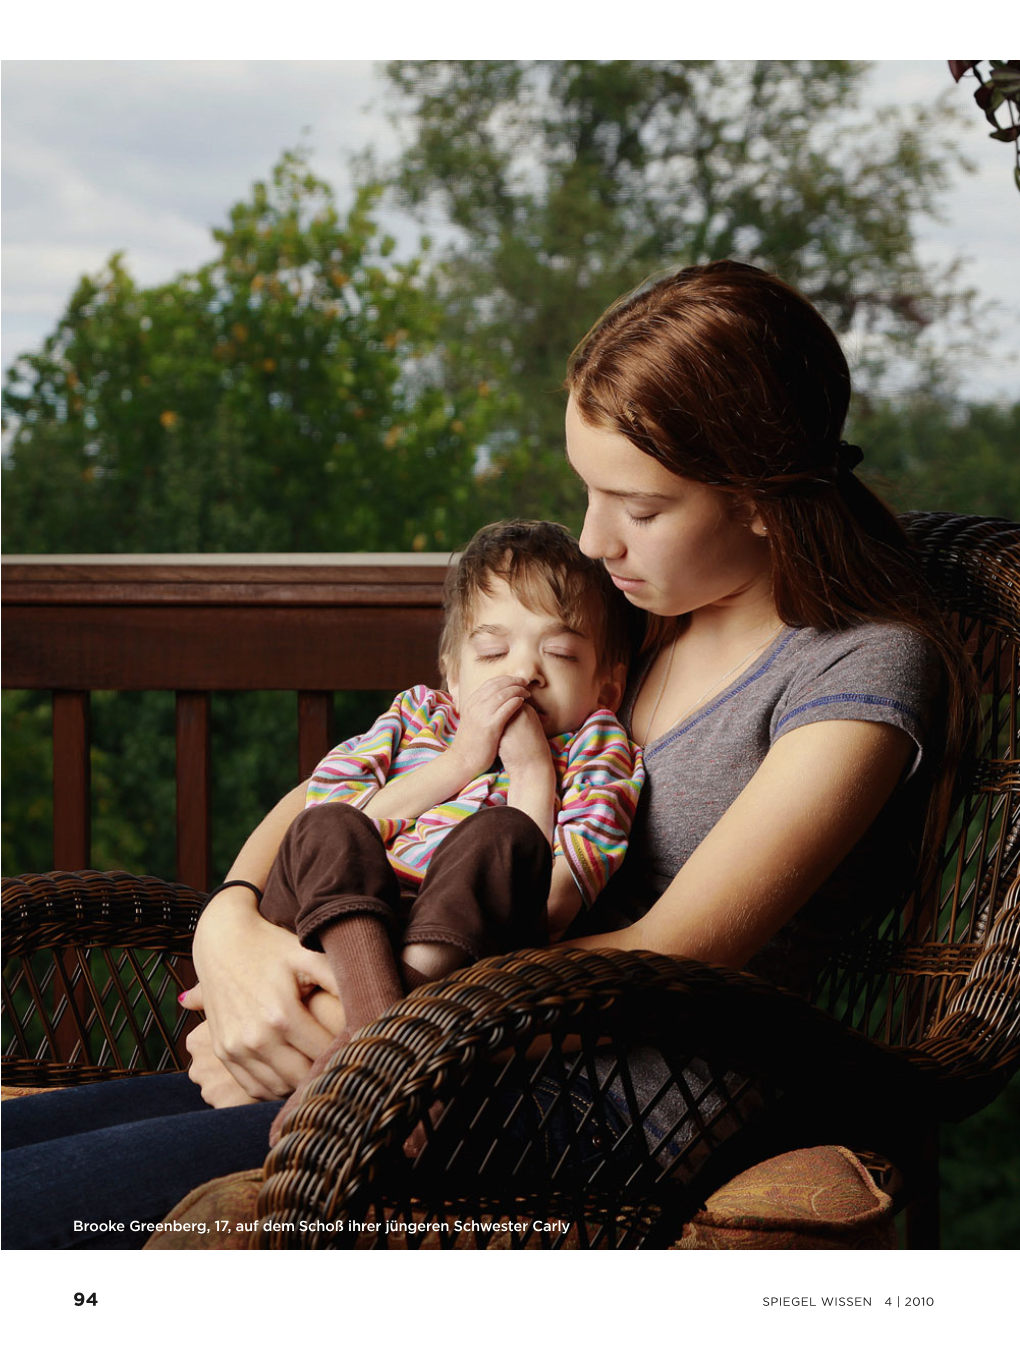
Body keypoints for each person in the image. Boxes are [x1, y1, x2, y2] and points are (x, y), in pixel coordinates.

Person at [1, 260, 969, 1250]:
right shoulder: (637, 628)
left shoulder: (857, 670)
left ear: (761, 499)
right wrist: (234, 933)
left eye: (638, 509)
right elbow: (334, 790)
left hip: (597, 1100)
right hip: (421, 1038)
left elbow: (677, 949)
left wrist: (369, 1024)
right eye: (586, 493)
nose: (594, 545)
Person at [229, 518, 644, 1125]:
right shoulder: (413, 719)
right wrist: (460, 761)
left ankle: (370, 1048)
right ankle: (390, 1050)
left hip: (463, 955)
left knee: (503, 837)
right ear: (452, 671)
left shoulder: (598, 749)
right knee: (332, 825)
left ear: (607, 685)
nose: (524, 671)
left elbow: (554, 904)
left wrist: (531, 775)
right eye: (494, 650)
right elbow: (335, 825)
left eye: (559, 652)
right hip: (333, 927)